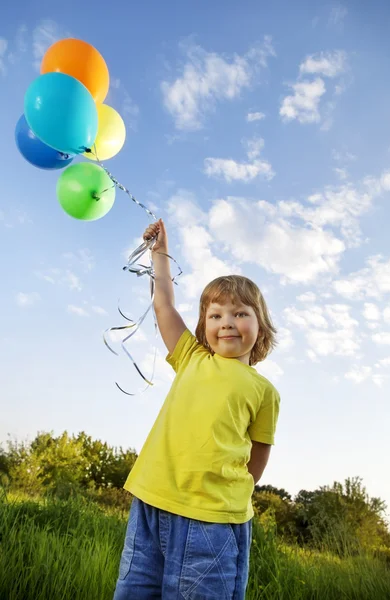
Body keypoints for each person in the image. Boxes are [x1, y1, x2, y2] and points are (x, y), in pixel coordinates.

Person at [113, 218, 281, 600]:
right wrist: (160, 253)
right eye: (216, 314)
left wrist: (233, 489)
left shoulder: (263, 391)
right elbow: (164, 305)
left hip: (212, 521)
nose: (227, 323)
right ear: (204, 324)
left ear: (261, 327)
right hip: (151, 503)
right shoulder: (191, 357)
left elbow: (260, 450)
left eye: (241, 313)